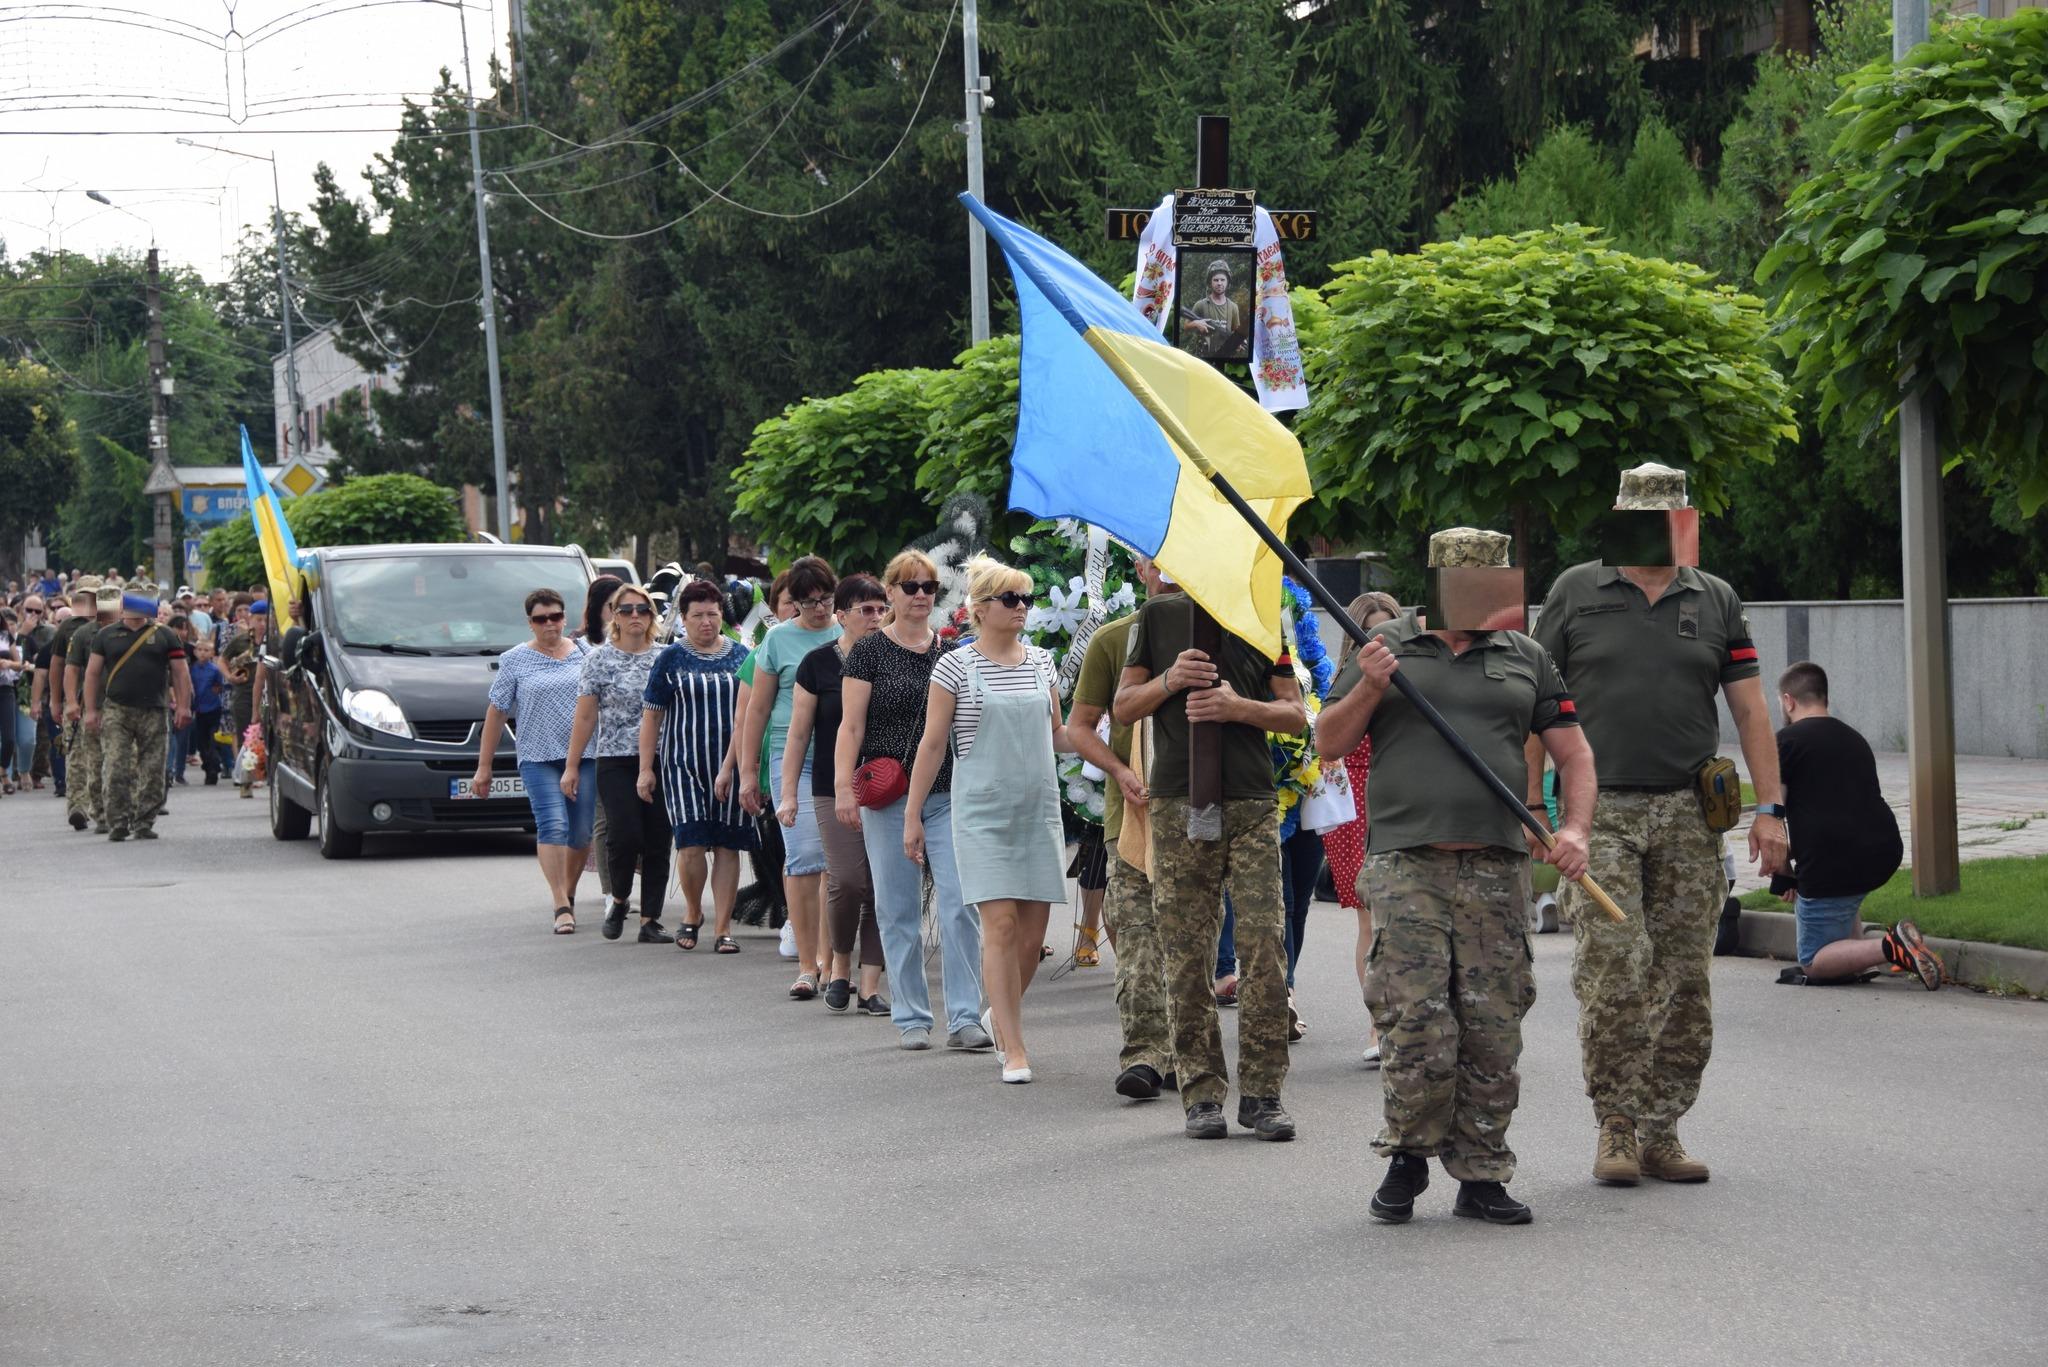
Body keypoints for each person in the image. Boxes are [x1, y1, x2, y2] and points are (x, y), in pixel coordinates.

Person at [1320, 529, 1594, 1226]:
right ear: (1440, 579)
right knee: (1415, 1017)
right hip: (1407, 861)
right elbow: (1327, 741)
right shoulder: (1389, 648)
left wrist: (1573, 829)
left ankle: (1481, 1171)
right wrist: (1371, 685)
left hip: (1496, 866)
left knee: (1492, 1023)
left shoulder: (1524, 655)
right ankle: (1407, 1156)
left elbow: (1574, 751)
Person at [1527, 461, 1790, 1187]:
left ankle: (1662, 1125)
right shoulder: (1576, 592)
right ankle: (1615, 1120)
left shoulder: (1715, 600)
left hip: (1687, 812)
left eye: (1667, 515)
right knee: (1614, 966)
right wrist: (1531, 802)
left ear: (1681, 519)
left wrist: (1771, 810)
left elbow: (1750, 709)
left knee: (1682, 980)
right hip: (1596, 808)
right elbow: (1536, 701)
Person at [1113, 570, 1306, 1141]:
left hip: (1251, 801)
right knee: (1185, 949)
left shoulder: (1259, 616)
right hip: (1177, 801)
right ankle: (1200, 1092)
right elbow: (1123, 706)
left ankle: (1264, 1094)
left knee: (1265, 945)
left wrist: (1237, 708)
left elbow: (1295, 713)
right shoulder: (1158, 617)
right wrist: (1171, 679)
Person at [906, 556, 1070, 1084]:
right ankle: (1014, 1046)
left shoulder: (1043, 662)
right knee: (998, 925)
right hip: (980, 812)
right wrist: (913, 815)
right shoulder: (955, 666)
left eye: (1026, 598)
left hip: (1038, 809)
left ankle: (998, 1011)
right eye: (1010, 600)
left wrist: (1117, 761)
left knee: (1031, 936)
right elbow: (933, 745)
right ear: (979, 609)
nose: (1022, 608)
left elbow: (1060, 734)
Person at [836, 549, 986, 1052]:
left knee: (960, 904)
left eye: (930, 588)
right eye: (911, 586)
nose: (921, 595)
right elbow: (851, 725)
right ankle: (911, 1016)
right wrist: (842, 788)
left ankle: (965, 1016)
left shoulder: (952, 653)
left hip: (946, 793)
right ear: (892, 592)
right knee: (897, 908)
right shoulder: (869, 652)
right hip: (888, 796)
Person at [1067, 555, 1171, 1099]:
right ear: (1140, 571)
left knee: (1186, 938)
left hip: (1197, 815)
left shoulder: (1223, 634)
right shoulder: (1113, 640)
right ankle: (1145, 1055)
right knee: (1134, 934)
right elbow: (1079, 727)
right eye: (1158, 566)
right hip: (1129, 813)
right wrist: (1120, 769)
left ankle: (1183, 1049)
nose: (1168, 575)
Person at [1771, 662, 1939, 988]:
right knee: (1842, 896)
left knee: (1814, 959)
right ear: (1824, 697)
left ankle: (1891, 947)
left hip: (1833, 857)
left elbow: (1774, 815)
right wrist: (1793, 867)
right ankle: (1856, 959)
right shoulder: (1853, 738)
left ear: (1788, 701)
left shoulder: (1786, 741)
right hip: (1882, 850)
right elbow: (1839, 812)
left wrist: (1782, 871)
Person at [780, 574, 891, 1014]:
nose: (876, 617)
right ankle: (839, 962)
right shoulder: (817, 664)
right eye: (866, 610)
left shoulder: (895, 657)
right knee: (847, 880)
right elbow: (798, 733)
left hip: (888, 788)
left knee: (883, 886)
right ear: (841, 616)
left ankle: (868, 985)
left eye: (882, 609)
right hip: (831, 787)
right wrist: (789, 793)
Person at [738, 556, 842, 999]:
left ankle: (831, 959)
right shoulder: (778, 640)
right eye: (808, 602)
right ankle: (806, 964)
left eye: (825, 599)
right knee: (803, 856)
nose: (819, 609)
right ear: (793, 603)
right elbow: (756, 709)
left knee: (835, 862)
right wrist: (747, 772)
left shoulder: (849, 631)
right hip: (791, 758)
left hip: (842, 755)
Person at [641, 579, 755, 954]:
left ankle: (723, 927)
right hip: (682, 764)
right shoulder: (670, 658)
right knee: (690, 845)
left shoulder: (741, 656)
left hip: (732, 762)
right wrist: (646, 768)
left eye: (712, 614)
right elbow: (652, 717)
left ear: (722, 616)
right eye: (697, 615)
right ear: (684, 620)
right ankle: (693, 912)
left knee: (727, 845)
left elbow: (754, 713)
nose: (706, 622)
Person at [474, 588, 595, 933]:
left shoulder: (585, 653)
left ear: (564, 618)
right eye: (541, 619)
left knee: (581, 831)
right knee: (553, 825)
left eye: (555, 617)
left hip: (585, 755)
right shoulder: (515, 659)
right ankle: (559, 903)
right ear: (530, 624)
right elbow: (496, 712)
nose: (550, 624)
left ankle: (567, 892)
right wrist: (485, 767)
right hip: (538, 757)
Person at [1319, 590, 1404, 1066]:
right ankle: (1377, 1023)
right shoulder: (1344, 682)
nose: (1381, 638)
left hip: (1402, 799)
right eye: (1371, 629)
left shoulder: (1413, 673)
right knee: (1369, 917)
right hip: (1353, 802)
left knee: (1402, 916)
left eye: (1388, 627)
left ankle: (1408, 1019)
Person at [564, 583, 673, 945]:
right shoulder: (598, 659)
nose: (635, 616)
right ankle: (621, 899)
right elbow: (584, 717)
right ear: (614, 616)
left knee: (658, 837)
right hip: (614, 757)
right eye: (626, 610)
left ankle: (650, 919)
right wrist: (572, 765)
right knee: (625, 834)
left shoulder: (666, 657)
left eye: (643, 610)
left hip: (661, 757)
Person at [83, 591, 192, 842]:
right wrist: (90, 710)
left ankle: (144, 821)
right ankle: (118, 821)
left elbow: (180, 672)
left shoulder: (165, 635)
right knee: (115, 767)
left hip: (154, 709)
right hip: (117, 710)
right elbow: (92, 674)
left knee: (153, 769)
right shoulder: (106, 635)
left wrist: (184, 706)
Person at [577, 575, 624, 906]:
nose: (622, 614)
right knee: (604, 820)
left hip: (637, 745)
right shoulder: (582, 647)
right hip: (598, 746)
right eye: (614, 607)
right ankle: (611, 893)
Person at [65, 583, 121, 831]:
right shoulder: (83, 634)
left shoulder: (130, 632)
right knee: (95, 762)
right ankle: (100, 814)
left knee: (121, 762)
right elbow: (71, 669)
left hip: (124, 706)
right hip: (94, 707)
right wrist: (72, 703)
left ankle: (121, 811)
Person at [1179, 260, 1244, 360]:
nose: (1219, 283)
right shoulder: (1201, 305)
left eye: (1222, 280)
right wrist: (1196, 323)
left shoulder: (1233, 307)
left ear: (1228, 282)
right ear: (1210, 282)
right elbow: (1186, 326)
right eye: (1216, 280)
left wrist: (1238, 343)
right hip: (1203, 358)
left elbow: (1235, 331)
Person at [186, 638, 228, 785]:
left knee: (212, 741)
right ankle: (208, 766)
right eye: (200, 650)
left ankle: (213, 769)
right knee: (201, 743)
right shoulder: (192, 669)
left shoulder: (215, 670)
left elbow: (219, 687)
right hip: (199, 710)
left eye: (206, 650)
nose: (203, 653)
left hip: (213, 709)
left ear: (212, 653)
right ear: (195, 651)